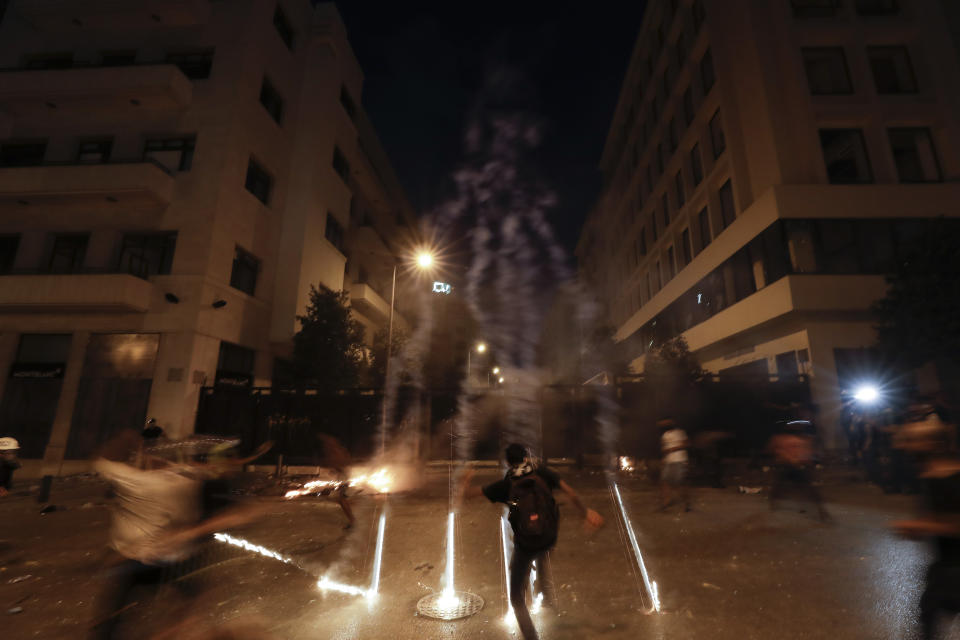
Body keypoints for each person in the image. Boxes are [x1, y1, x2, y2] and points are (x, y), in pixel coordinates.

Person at [89, 430, 264, 639]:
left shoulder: (132, 481)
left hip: (132, 560)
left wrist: (130, 443)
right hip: (170, 559)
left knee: (113, 616)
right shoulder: (182, 481)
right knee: (190, 603)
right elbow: (203, 470)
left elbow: (100, 461)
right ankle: (176, 629)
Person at [458, 443, 604, 640]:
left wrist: (465, 481)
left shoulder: (506, 484)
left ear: (507, 462)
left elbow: (469, 495)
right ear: (526, 458)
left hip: (525, 544)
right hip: (549, 537)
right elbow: (570, 493)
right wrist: (586, 512)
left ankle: (531, 637)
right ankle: (545, 592)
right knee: (542, 551)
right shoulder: (542, 473)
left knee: (516, 597)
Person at [891, 404, 960, 639]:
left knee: (930, 614)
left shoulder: (948, 476)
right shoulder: (932, 475)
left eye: (914, 441)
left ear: (933, 445)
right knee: (929, 613)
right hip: (945, 566)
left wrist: (920, 526)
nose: (905, 445)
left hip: (954, 568)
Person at [768, 420, 830, 522]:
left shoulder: (786, 439)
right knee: (806, 490)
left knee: (782, 487)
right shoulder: (799, 440)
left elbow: (774, 449)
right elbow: (807, 455)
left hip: (790, 467)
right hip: (791, 467)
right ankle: (821, 511)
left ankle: (821, 511)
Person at [317, 433, 355, 529]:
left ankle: (353, 521)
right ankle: (352, 519)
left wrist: (337, 469)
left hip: (343, 476)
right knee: (342, 499)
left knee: (342, 499)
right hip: (343, 476)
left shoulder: (336, 450)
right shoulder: (338, 449)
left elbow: (342, 462)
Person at [659, 418, 691, 512]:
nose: (664, 425)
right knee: (664, 481)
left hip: (679, 460)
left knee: (679, 483)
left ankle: (687, 503)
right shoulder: (664, 435)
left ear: (672, 423)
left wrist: (673, 448)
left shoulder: (680, 432)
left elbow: (687, 444)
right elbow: (664, 448)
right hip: (668, 461)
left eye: (666, 423)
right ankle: (666, 503)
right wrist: (664, 457)